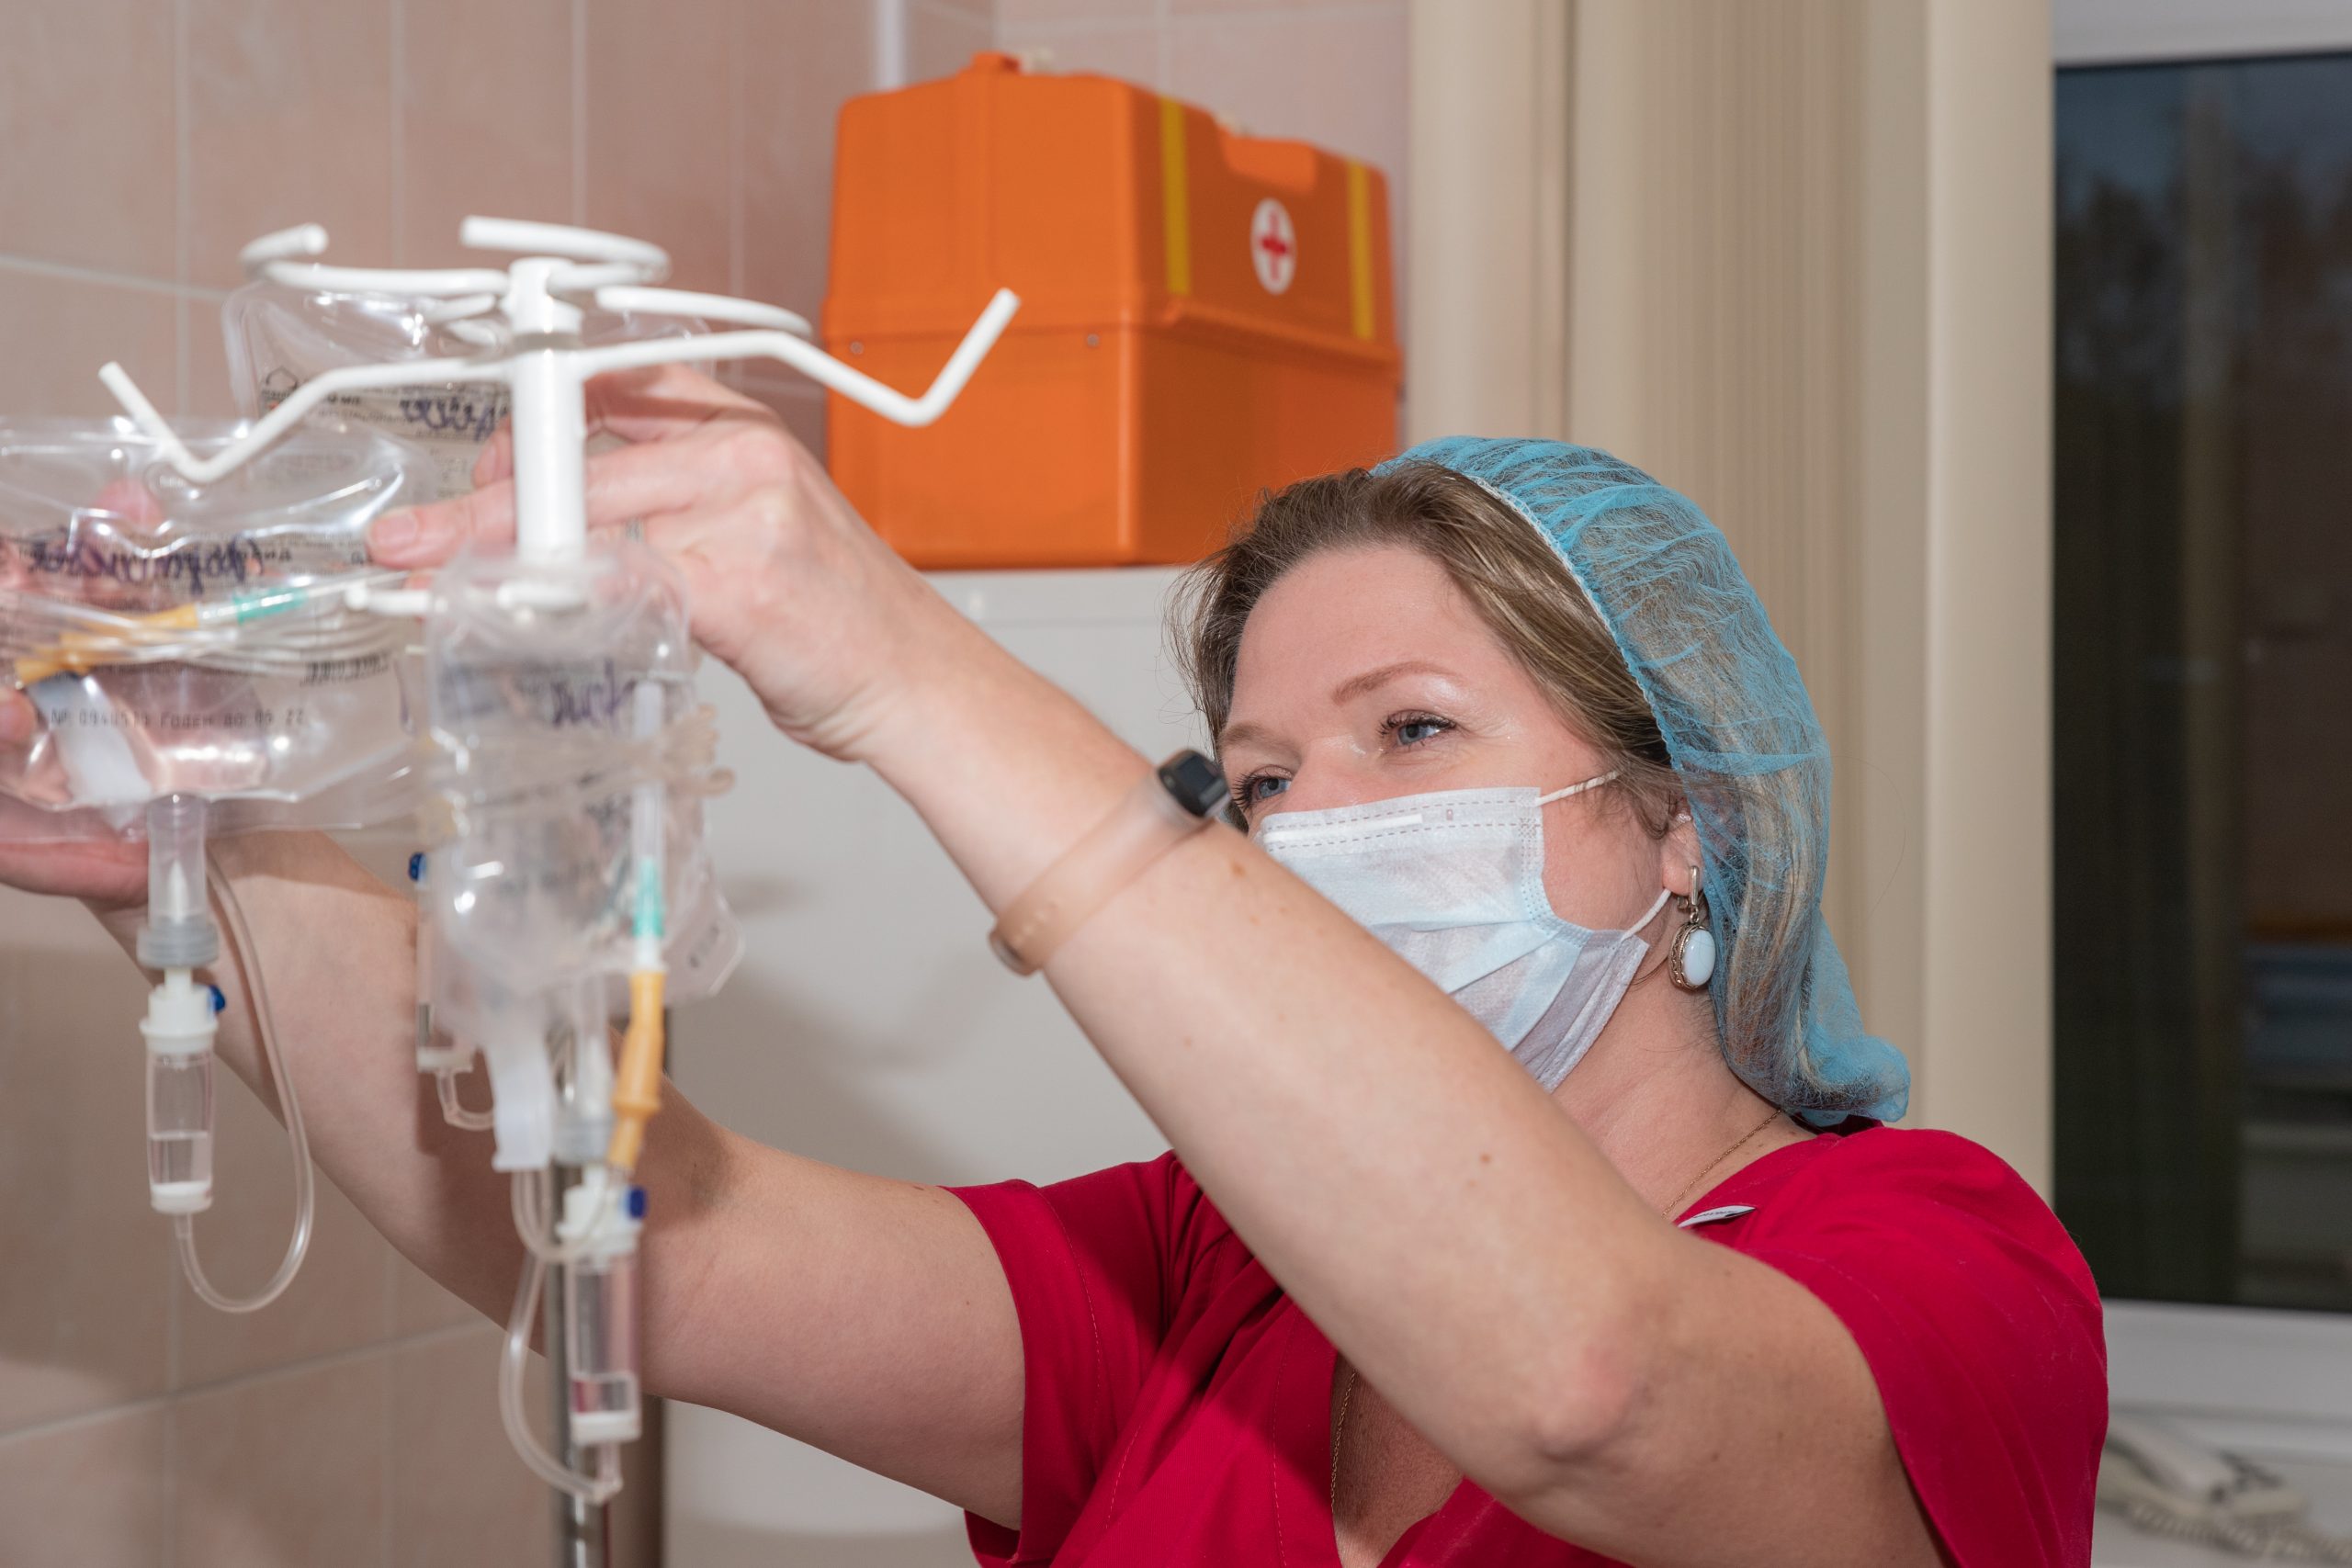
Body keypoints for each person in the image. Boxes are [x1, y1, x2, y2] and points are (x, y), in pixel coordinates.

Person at [0, 369, 2105, 1567]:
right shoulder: (1217, 1271)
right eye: (1260, 776)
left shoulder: (1942, 1267)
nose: (1314, 829)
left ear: (1688, 827)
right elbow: (646, 1256)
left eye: (1415, 732)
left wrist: (895, 658)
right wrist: (187, 839)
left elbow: (1588, 1383)